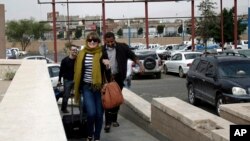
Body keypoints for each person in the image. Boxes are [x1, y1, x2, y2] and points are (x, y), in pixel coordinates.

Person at [102, 32, 144, 133]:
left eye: (112, 41)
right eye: (108, 42)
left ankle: (114, 119)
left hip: (118, 77)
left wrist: (140, 65)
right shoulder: (101, 50)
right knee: (108, 99)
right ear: (104, 41)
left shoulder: (122, 47)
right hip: (107, 79)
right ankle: (108, 123)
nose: (110, 44)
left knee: (116, 98)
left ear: (114, 39)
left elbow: (132, 56)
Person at [74, 31, 104, 141]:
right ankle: (89, 134)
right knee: (91, 113)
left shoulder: (102, 53)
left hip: (99, 88)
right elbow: (77, 69)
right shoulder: (82, 53)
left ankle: (97, 137)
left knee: (99, 115)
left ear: (98, 42)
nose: (92, 42)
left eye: (94, 40)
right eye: (90, 40)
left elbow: (108, 72)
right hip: (87, 87)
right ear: (87, 41)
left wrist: (108, 66)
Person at [58, 45, 78, 113]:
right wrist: (59, 80)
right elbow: (61, 71)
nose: (74, 51)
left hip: (76, 80)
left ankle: (83, 109)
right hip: (67, 80)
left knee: (80, 94)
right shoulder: (65, 60)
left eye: (75, 50)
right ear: (70, 51)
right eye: (73, 50)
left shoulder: (77, 60)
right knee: (66, 95)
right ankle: (64, 108)